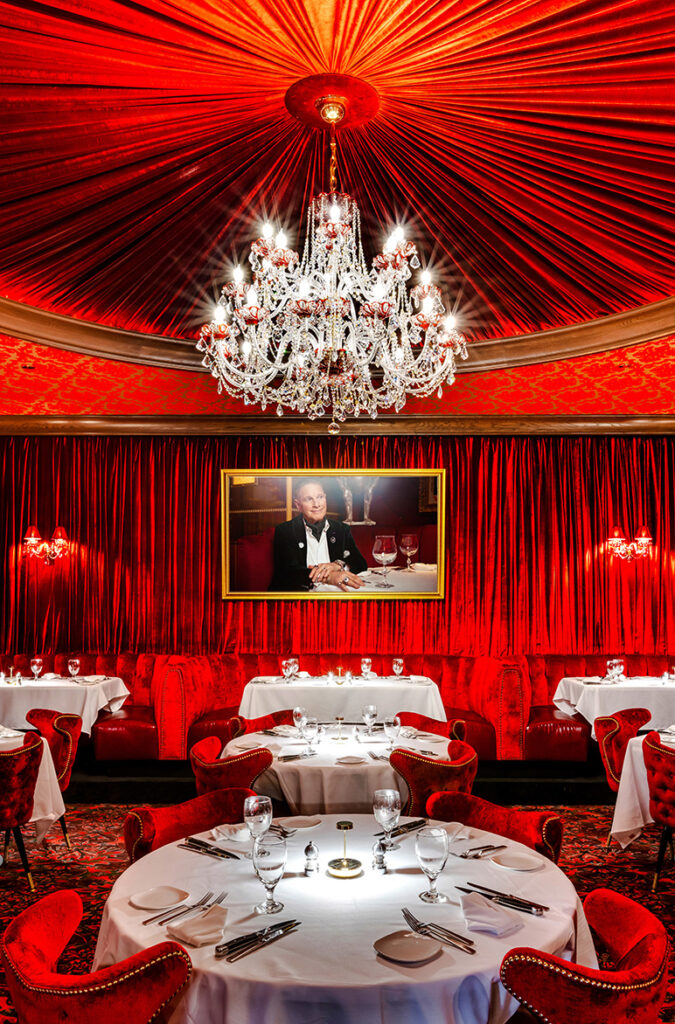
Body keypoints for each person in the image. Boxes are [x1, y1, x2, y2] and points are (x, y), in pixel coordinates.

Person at [270, 479, 367, 592]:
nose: (316, 504)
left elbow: (361, 564)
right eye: (309, 499)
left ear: (325, 498)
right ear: (298, 505)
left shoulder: (341, 529)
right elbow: (289, 571)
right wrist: (329, 577)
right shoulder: (285, 531)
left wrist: (338, 565)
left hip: (335, 592)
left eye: (320, 497)